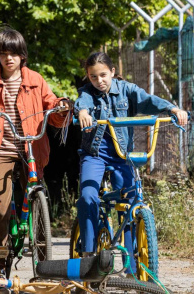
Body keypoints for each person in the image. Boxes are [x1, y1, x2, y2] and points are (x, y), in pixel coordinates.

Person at [0, 27, 71, 282]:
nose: (8, 58)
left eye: (13, 53)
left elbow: (52, 109)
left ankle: (45, 267)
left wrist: (62, 106)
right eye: (3, 54)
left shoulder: (35, 79)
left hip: (30, 148)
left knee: (39, 201)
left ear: (23, 55)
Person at [74, 51, 188, 273]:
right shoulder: (87, 92)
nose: (99, 81)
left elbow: (148, 100)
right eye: (93, 77)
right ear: (88, 77)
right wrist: (84, 113)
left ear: (113, 72)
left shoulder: (127, 90)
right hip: (95, 153)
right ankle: (88, 254)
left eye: (104, 75)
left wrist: (173, 109)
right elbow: (82, 104)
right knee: (88, 196)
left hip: (122, 155)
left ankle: (131, 264)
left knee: (131, 200)